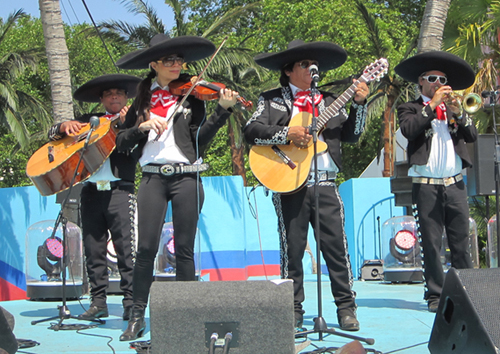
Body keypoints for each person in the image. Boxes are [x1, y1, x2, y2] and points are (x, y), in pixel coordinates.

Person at [114, 34, 239, 341]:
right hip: (152, 178)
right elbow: (120, 143)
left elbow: (201, 141)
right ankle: (136, 316)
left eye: (179, 60)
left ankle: (188, 316)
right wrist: (140, 127)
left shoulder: (193, 96)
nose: (176, 65)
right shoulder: (142, 100)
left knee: (184, 251)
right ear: (154, 64)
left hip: (186, 176)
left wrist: (223, 109)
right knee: (145, 250)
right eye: (169, 61)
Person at [244, 40, 369, 332]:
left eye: (314, 65)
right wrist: (287, 133)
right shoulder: (271, 99)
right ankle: (293, 309)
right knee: (293, 250)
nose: (312, 68)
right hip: (289, 183)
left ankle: (346, 308)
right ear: (288, 71)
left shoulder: (329, 99)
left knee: (337, 249)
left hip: (325, 182)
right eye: (304, 64)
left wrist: (359, 105)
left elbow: (353, 135)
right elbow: (251, 131)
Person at [48, 74, 142, 321]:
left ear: (125, 97)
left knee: (126, 251)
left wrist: (126, 125)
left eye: (119, 93)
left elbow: (135, 145)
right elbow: (51, 135)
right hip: (89, 192)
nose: (114, 97)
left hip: (120, 191)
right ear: (101, 99)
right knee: (93, 249)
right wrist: (62, 127)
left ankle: (131, 304)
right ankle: (98, 303)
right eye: (109, 94)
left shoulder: (134, 120)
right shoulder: (87, 122)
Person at [395, 50, 477, 312]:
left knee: (461, 242)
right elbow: (409, 130)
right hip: (426, 185)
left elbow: (472, 135)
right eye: (432, 78)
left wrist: (458, 113)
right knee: (431, 244)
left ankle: (467, 292)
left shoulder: (452, 109)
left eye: (442, 79)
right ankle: (435, 295)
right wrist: (431, 107)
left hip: (454, 184)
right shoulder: (410, 108)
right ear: (421, 82)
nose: (438, 84)